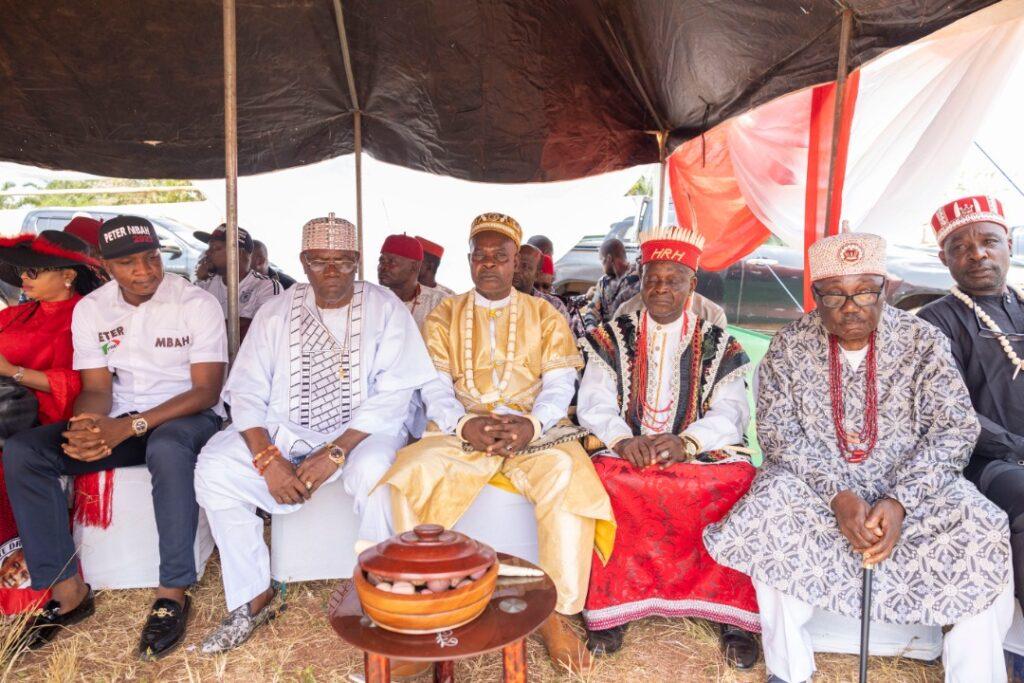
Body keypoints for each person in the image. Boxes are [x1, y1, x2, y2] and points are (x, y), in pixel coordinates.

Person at [704, 232, 1014, 683]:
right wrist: (838, 495)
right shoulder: (788, 346)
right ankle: (789, 671)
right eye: (835, 295)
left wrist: (900, 500)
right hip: (816, 489)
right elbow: (777, 433)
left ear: (885, 290)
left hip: (914, 487)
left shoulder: (923, 341)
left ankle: (974, 675)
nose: (851, 307)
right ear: (816, 295)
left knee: (982, 524)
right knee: (768, 507)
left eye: (865, 292)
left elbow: (955, 428)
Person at [379, 213, 615, 675]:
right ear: (469, 260)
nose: (489, 264)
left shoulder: (544, 314)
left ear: (516, 262)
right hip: (462, 431)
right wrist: (463, 423)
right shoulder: (445, 313)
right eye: (480, 255)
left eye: (500, 256)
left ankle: (556, 616)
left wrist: (532, 423)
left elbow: (560, 383)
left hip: (534, 432)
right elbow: (434, 385)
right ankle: (423, 615)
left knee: (568, 474)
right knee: (408, 476)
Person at [195, 214, 435, 654]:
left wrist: (336, 452)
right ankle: (253, 595)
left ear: (357, 260)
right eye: (320, 261)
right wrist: (267, 458)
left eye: (342, 260)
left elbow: (396, 394)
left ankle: (384, 592)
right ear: (303, 261)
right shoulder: (276, 310)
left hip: (363, 434)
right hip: (286, 432)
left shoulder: (385, 308)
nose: (332, 271)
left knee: (377, 474)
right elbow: (246, 391)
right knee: (214, 467)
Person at [3, 216, 228, 658]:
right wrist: (85, 425)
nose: (144, 271)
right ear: (106, 266)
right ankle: (68, 591)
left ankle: (172, 593)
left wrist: (129, 426)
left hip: (187, 415)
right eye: (128, 263)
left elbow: (206, 390)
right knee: (25, 451)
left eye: (151, 257)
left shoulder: (195, 303)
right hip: (120, 417)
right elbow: (97, 388)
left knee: (167, 447)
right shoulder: (93, 309)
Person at [577, 227, 759, 665]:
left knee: (741, 482)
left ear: (691, 285)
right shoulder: (611, 335)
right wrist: (622, 439)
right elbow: (594, 401)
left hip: (695, 453)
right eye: (652, 278)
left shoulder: (719, 342)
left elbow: (733, 412)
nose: (661, 288)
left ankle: (732, 615)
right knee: (602, 478)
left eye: (672, 280)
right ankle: (613, 609)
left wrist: (689, 442)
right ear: (640, 280)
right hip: (628, 450)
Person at [919, 196, 1024, 614]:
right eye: (960, 246)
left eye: (989, 241)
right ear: (944, 259)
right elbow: (950, 413)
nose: (977, 253)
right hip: (980, 463)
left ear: (1009, 245)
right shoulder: (933, 323)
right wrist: (1017, 448)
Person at [0, 231, 103, 614]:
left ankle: (26, 591)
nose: (23, 278)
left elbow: (83, 383)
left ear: (68, 275)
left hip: (51, 417)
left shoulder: (85, 318)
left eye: (35, 271)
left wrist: (14, 372)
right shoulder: (16, 314)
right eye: (22, 271)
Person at [194, 225, 280, 340]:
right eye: (209, 248)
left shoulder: (266, 286)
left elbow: (264, 328)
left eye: (215, 248)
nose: (208, 253)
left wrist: (205, 326)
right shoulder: (204, 285)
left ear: (238, 253)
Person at [377, 233, 446, 329]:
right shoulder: (373, 299)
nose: (383, 267)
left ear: (414, 266)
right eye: (381, 261)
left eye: (392, 262)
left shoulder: (439, 303)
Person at [581, 238, 640, 330]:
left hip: (642, 336)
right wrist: (591, 327)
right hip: (612, 337)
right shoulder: (603, 283)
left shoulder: (640, 276)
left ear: (609, 259)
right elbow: (592, 312)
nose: (602, 267)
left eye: (602, 260)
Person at [513, 243, 571, 324]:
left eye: (524, 266)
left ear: (536, 275)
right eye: (514, 264)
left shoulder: (554, 306)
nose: (516, 270)